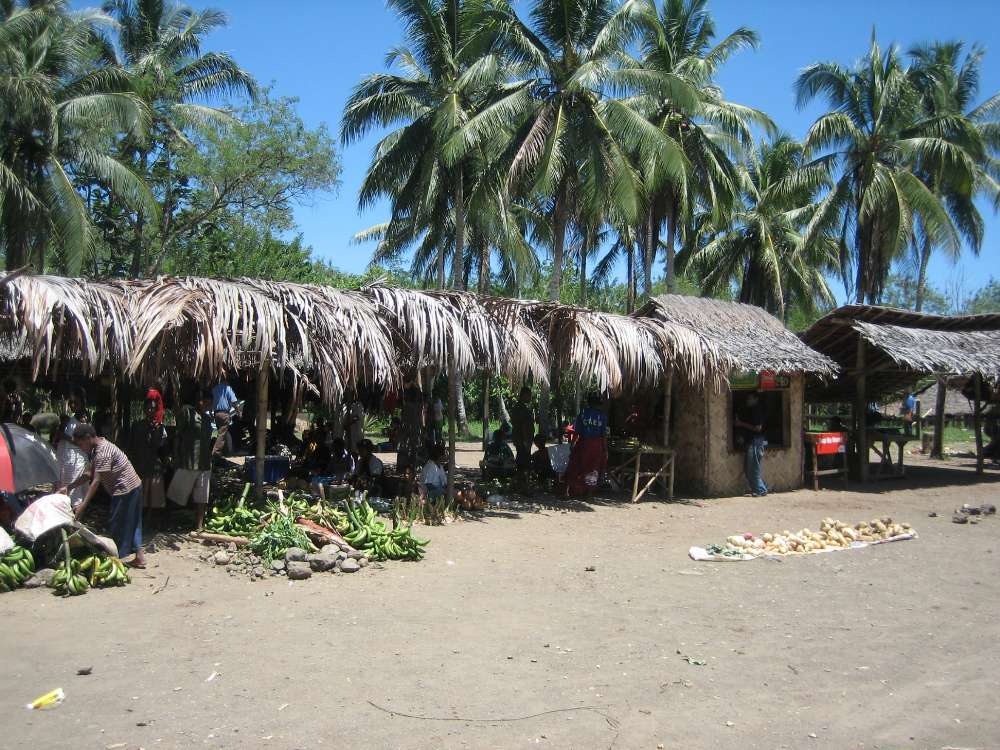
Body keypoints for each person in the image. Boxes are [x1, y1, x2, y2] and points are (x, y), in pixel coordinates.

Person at [68, 423, 146, 568]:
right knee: (133, 522)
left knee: (117, 525)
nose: (81, 448)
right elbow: (88, 474)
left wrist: (83, 506)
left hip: (125, 489)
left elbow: (96, 481)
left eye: (80, 444)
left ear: (88, 438)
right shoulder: (98, 447)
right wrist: (69, 487)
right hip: (134, 486)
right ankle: (139, 557)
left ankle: (116, 561)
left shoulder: (103, 452)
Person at [168, 388, 215, 530]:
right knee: (178, 495)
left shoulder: (208, 419)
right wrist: (175, 456)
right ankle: (171, 523)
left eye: (208, 403)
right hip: (188, 462)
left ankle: (199, 525)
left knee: (202, 497)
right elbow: (177, 436)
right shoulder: (187, 414)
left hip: (204, 463)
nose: (204, 405)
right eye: (203, 401)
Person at [126, 398, 168, 523]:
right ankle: (138, 516)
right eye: (149, 408)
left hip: (153, 463)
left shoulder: (160, 427)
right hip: (139, 462)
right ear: (144, 409)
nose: (151, 410)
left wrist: (155, 430)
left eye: (153, 408)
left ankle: (149, 518)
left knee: (152, 493)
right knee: (140, 491)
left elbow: (160, 447)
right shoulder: (137, 425)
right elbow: (131, 444)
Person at [564, 394, 608, 496]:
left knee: (575, 466)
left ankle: (568, 491)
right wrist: (605, 449)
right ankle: (589, 492)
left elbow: (576, 432)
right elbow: (604, 435)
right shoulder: (602, 416)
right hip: (596, 445)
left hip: (583, 443)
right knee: (593, 467)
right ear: (597, 404)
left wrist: (572, 444)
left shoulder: (583, 413)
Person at [735, 391, 768, 497]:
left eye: (749, 398)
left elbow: (758, 428)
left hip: (756, 442)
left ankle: (760, 490)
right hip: (753, 442)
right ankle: (757, 490)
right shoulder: (753, 410)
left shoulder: (757, 410)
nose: (747, 400)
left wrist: (741, 424)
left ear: (755, 399)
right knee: (749, 468)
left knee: (753, 468)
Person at [55, 415, 90, 510]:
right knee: (65, 486)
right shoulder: (68, 425)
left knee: (76, 492)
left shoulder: (84, 425)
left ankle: (77, 512)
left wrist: (65, 437)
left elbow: (82, 442)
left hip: (77, 460)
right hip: (66, 460)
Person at [509, 386, 535, 475]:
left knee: (521, 458)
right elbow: (523, 426)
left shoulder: (519, 407)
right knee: (523, 461)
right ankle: (521, 478)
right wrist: (526, 441)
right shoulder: (521, 409)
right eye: (529, 395)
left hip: (521, 439)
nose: (530, 397)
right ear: (524, 395)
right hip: (523, 439)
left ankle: (521, 477)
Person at [211, 376, 239, 455]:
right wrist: (238, 412)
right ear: (226, 380)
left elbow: (210, 401)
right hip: (224, 413)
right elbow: (233, 402)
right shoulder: (228, 388)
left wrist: (210, 413)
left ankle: (226, 451)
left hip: (216, 413)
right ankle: (216, 452)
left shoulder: (214, 389)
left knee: (221, 432)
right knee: (222, 434)